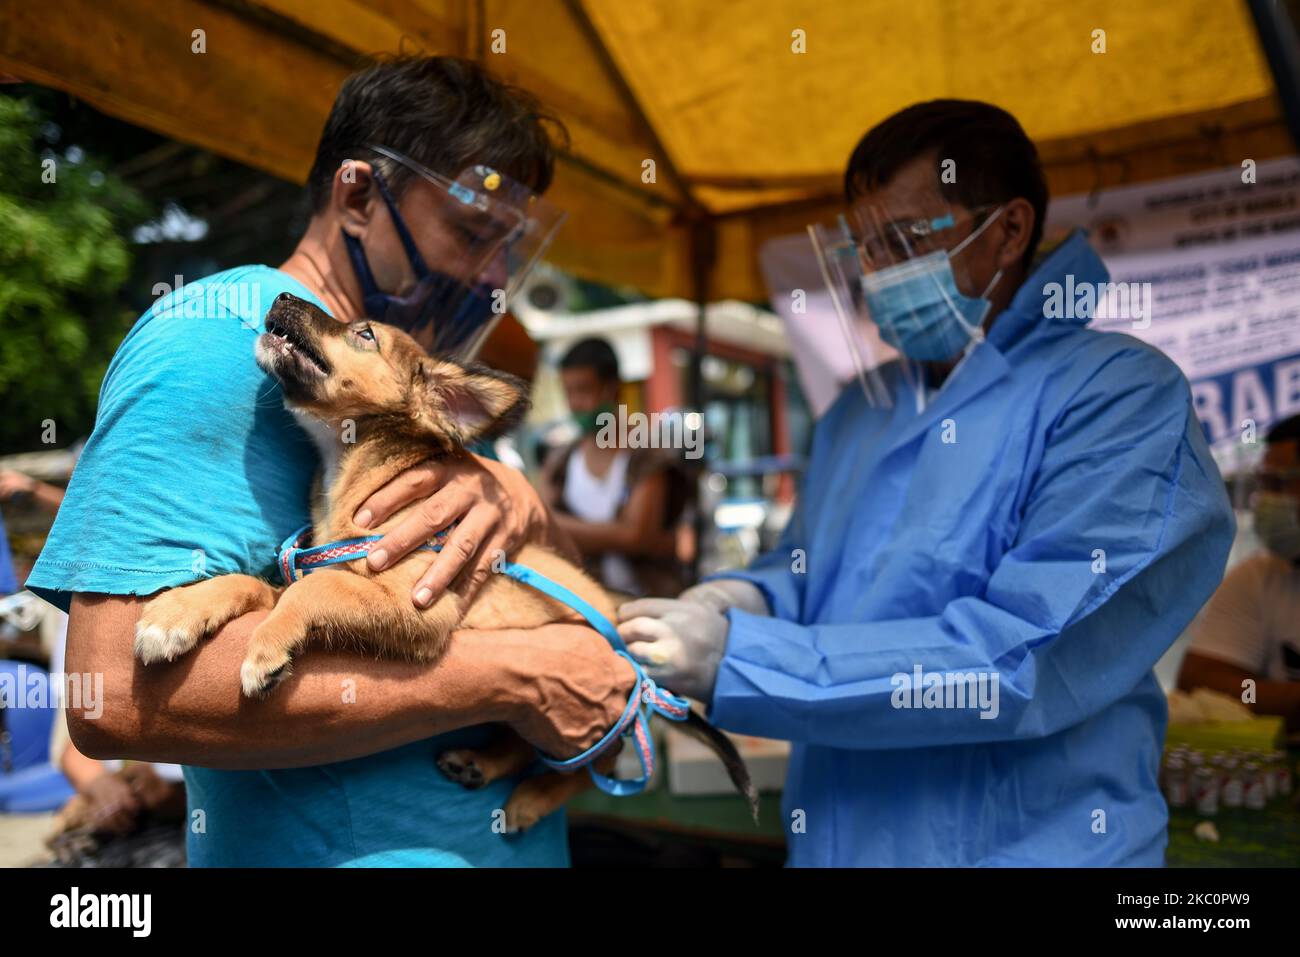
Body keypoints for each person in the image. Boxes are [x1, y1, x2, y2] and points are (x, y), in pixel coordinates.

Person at [26, 56, 639, 867]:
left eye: (505, 246)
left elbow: (540, 587)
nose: (493, 277)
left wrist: (518, 494)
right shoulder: (209, 348)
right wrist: (515, 675)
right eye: (470, 233)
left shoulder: (415, 376)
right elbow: (106, 696)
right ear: (357, 196)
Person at [617, 100, 1235, 866]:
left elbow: (1019, 658)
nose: (880, 271)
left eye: (905, 240)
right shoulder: (860, 409)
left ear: (1008, 229)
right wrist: (738, 599)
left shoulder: (1115, 395)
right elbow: (809, 571)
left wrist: (741, 658)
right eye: (866, 247)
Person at [541, 337, 692, 597]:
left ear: (612, 389)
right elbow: (541, 527)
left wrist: (557, 526)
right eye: (569, 392)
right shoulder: (561, 461)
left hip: (650, 602)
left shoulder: (648, 455)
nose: (575, 403)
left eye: (584, 390)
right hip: (588, 605)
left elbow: (637, 537)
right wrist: (617, 533)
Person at [1178, 414, 1300, 729]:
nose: (1267, 501)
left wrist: (1273, 698)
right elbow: (1199, 683)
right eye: (1264, 483)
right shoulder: (1259, 577)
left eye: (1280, 483)